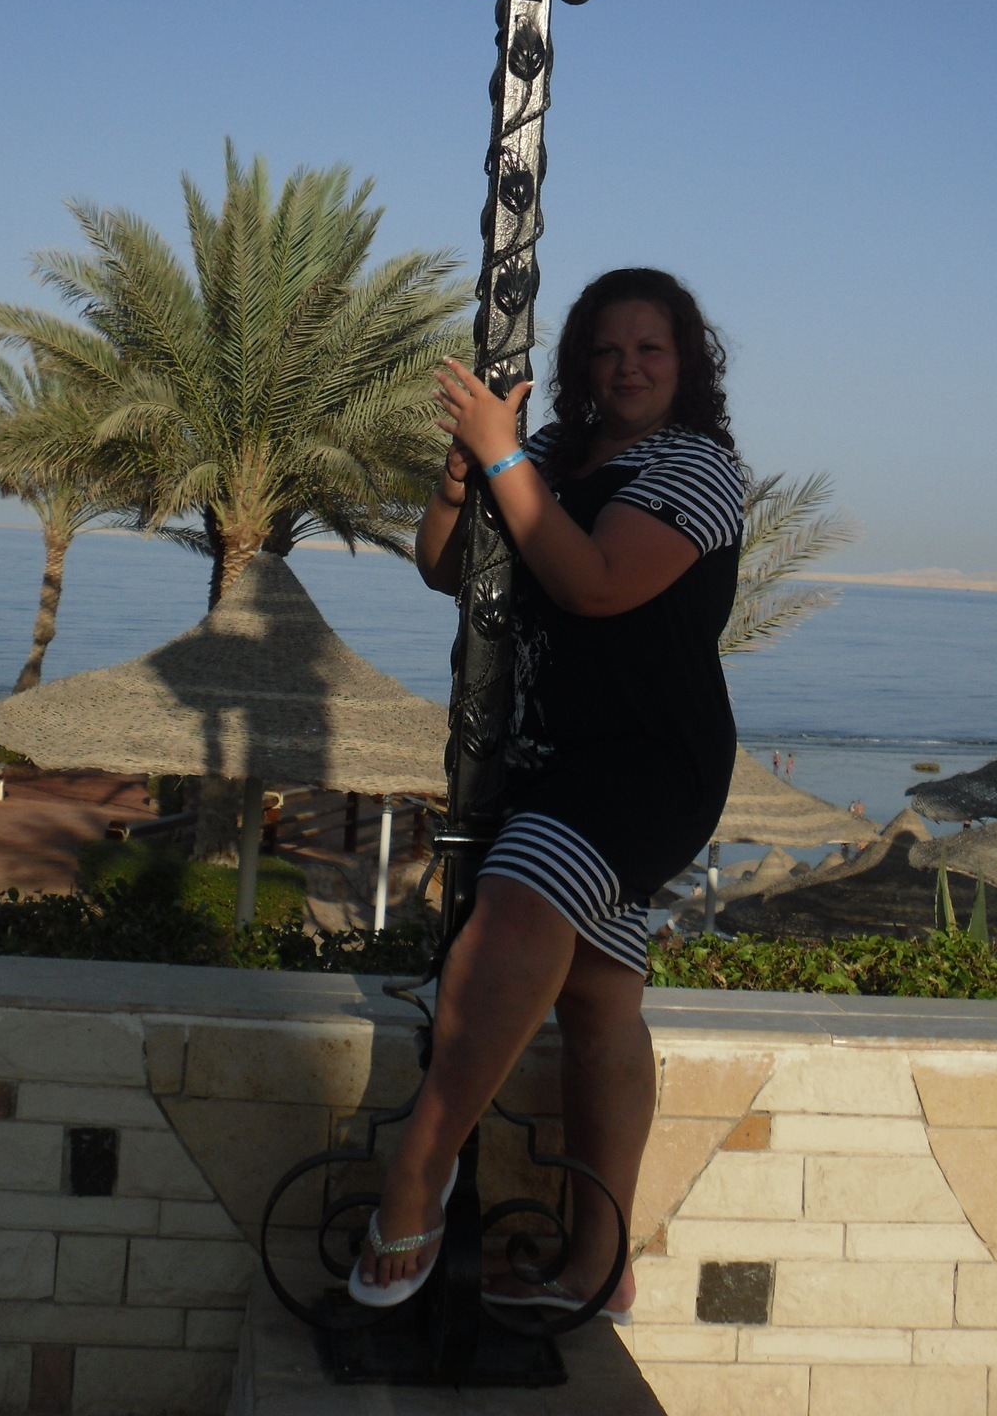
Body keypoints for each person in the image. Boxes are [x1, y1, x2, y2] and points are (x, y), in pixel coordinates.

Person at [351, 267, 746, 1318]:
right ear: (580, 362)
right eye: (607, 350)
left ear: (685, 362)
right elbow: (449, 569)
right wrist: (459, 482)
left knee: (519, 904)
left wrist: (502, 455)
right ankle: (598, 1269)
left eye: (650, 349)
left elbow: (596, 582)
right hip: (552, 758)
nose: (627, 367)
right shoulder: (557, 456)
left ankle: (418, 1171)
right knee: (600, 996)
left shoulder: (698, 466)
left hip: (649, 761)